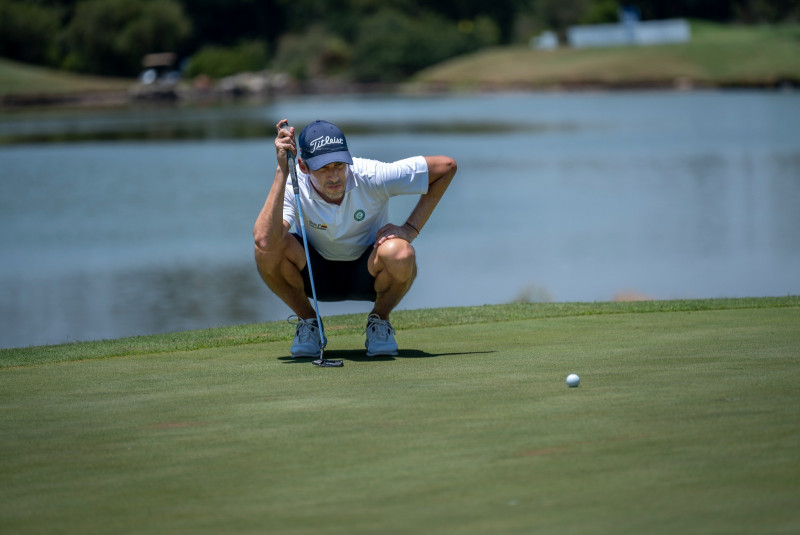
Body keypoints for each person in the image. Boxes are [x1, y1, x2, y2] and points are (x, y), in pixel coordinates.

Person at [253, 119, 457, 357]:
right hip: (314, 274)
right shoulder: (293, 182)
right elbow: (265, 241)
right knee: (267, 252)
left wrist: (410, 229)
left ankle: (379, 320)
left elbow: (446, 167)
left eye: (339, 165)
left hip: (369, 272)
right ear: (303, 166)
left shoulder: (371, 175)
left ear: (348, 156)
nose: (335, 176)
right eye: (323, 168)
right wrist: (282, 170)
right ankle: (309, 322)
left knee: (400, 252)